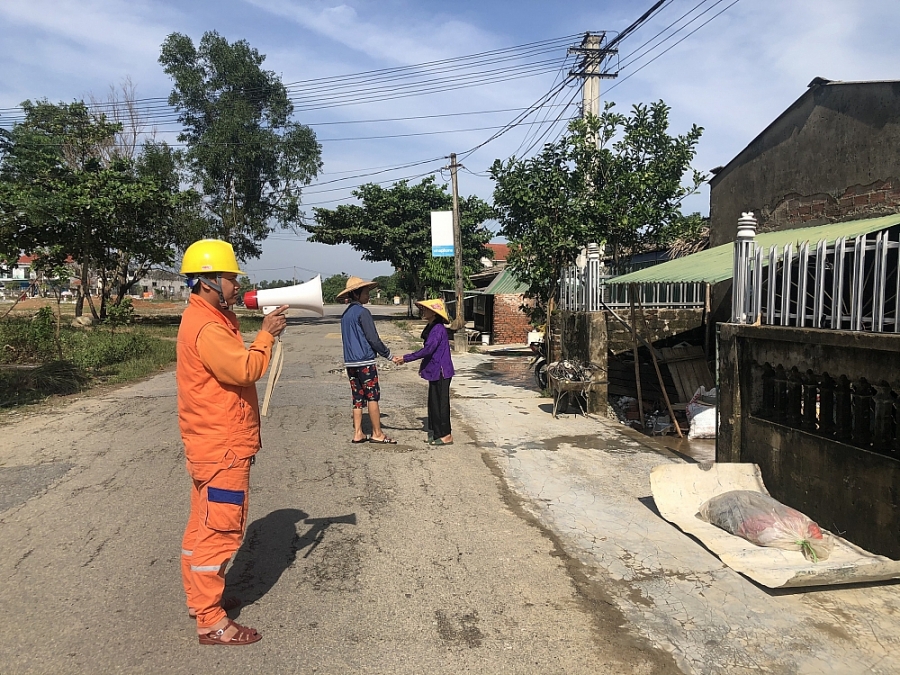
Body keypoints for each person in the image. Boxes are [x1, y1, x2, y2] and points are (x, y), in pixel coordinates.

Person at [176, 239, 288, 646]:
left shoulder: (207, 317)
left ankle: (202, 600)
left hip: (211, 443)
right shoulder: (207, 326)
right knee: (220, 533)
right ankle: (211, 620)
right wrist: (266, 336)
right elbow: (245, 369)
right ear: (207, 281)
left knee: (200, 529)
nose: (235, 285)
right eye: (229, 278)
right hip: (223, 447)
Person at [338, 276, 397, 444]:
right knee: (372, 397)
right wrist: (389, 355)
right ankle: (377, 433)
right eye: (365, 292)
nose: (368, 295)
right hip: (365, 361)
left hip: (350, 363)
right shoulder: (363, 313)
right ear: (356, 294)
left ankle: (358, 433)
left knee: (357, 398)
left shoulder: (345, 315)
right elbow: (373, 339)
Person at [393, 299, 455, 446]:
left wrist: (405, 358)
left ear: (434, 313)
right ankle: (436, 432)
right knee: (433, 402)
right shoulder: (432, 326)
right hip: (434, 369)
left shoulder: (438, 328)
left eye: (426, 310)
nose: (424, 312)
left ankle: (446, 435)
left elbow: (428, 349)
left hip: (441, 371)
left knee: (441, 403)